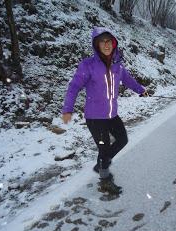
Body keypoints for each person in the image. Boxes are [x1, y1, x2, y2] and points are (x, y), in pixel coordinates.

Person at [62, 27, 148, 194]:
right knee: (104, 148)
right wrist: (68, 109)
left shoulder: (118, 65)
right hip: (95, 117)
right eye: (102, 41)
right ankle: (105, 181)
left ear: (113, 43)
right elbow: (74, 87)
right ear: (97, 44)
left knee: (122, 139)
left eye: (109, 41)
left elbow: (128, 80)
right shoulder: (88, 65)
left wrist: (141, 90)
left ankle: (102, 163)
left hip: (111, 114)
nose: (106, 45)